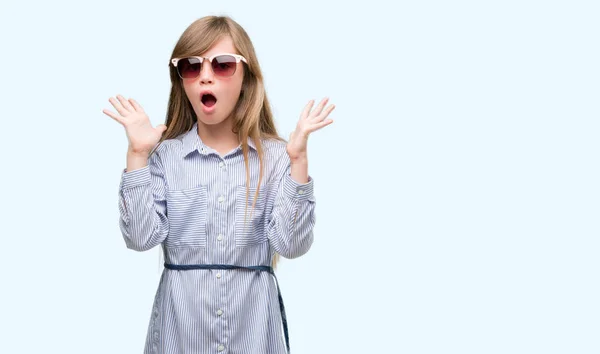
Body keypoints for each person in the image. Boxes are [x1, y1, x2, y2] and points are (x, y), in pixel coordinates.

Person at [102, 15, 334, 354]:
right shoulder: (165, 157)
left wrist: (298, 162)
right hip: (180, 335)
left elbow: (292, 245)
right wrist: (138, 155)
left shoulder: (277, 156)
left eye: (223, 65)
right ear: (181, 80)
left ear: (247, 77)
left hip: (254, 334)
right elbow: (139, 238)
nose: (206, 76)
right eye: (191, 67)